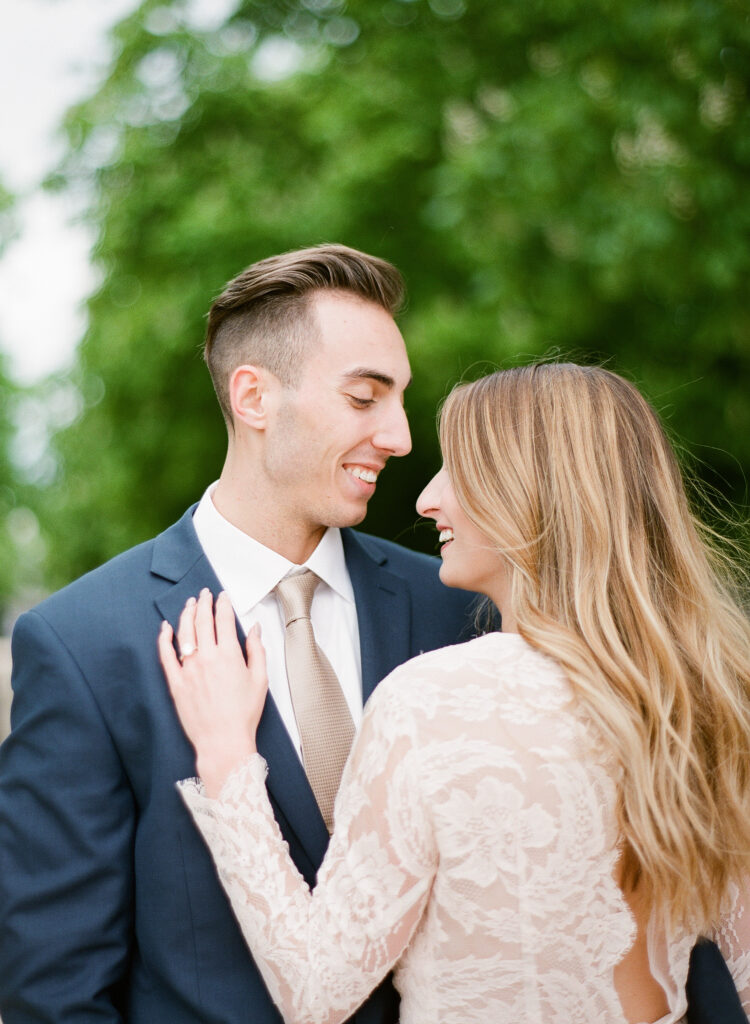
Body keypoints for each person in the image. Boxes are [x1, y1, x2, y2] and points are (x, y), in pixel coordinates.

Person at [160, 363, 750, 1024]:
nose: (426, 498)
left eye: (458, 472)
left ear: (528, 492)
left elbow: (318, 988)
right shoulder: (711, 700)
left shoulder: (432, 704)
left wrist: (227, 758)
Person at [0, 245, 477, 1024]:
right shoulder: (83, 644)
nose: (399, 437)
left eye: (399, 401)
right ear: (254, 397)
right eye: (364, 398)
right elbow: (55, 988)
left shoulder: (451, 605)